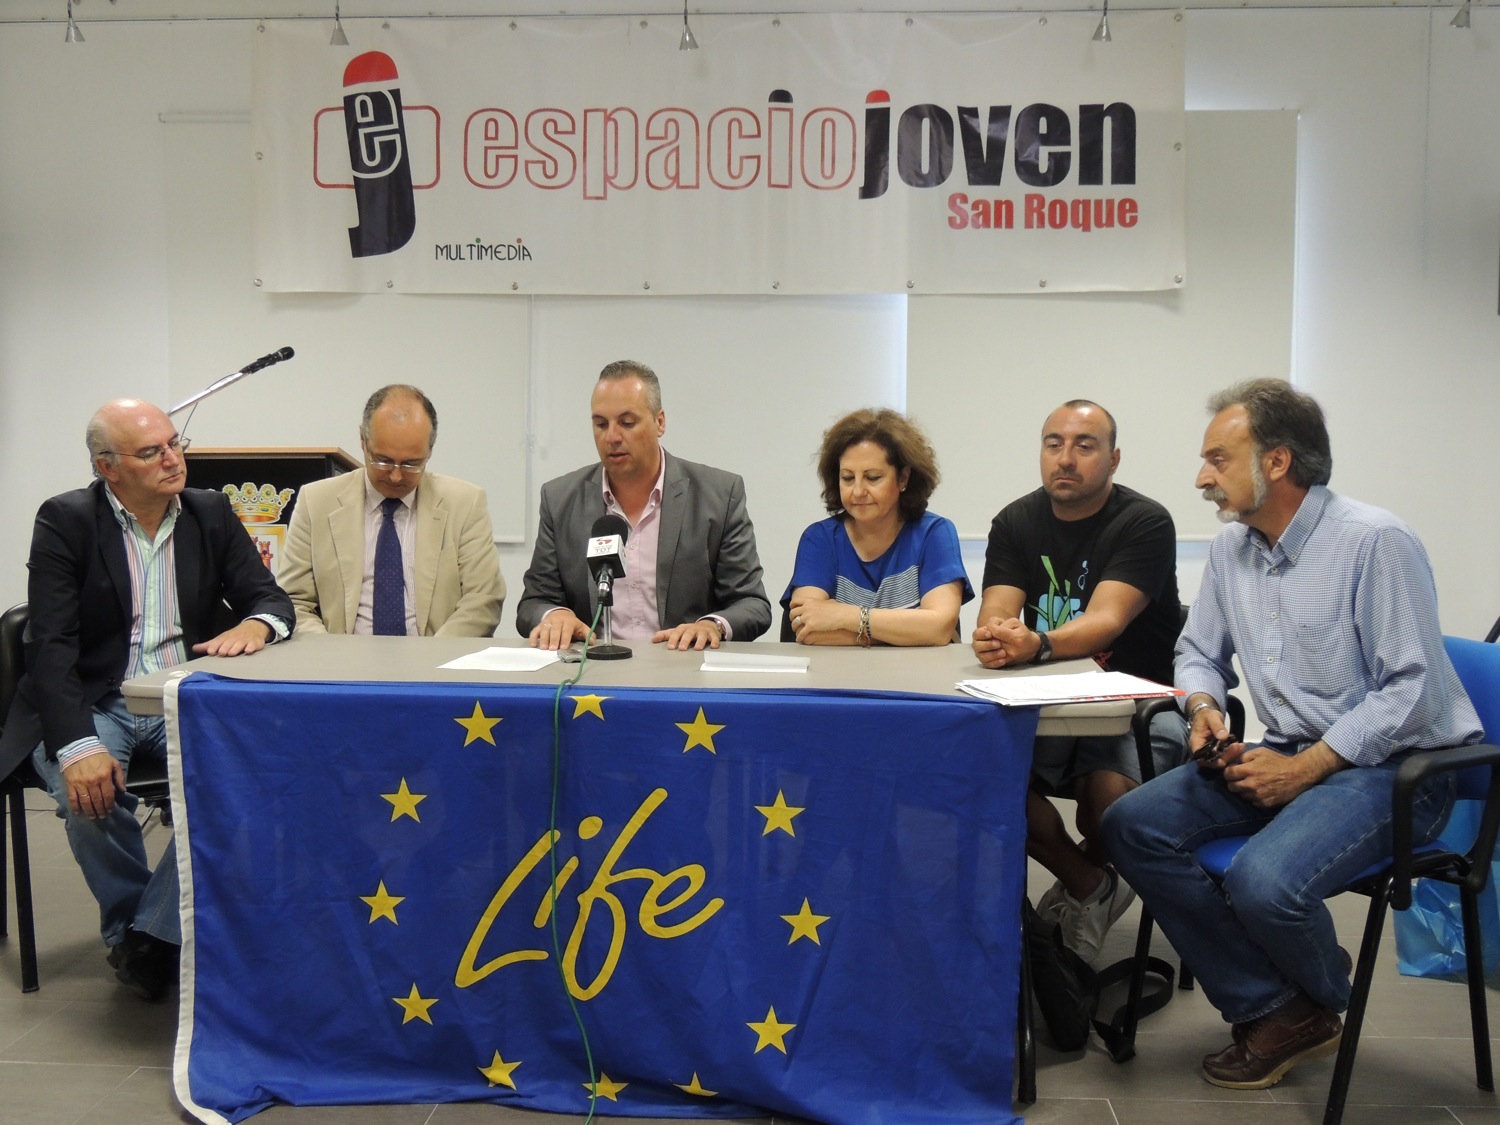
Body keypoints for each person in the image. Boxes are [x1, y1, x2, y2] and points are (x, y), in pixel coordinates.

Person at [1101, 378, 1482, 1091]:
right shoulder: (1231, 549)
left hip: (1398, 771)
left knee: (1262, 880)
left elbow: (1413, 689)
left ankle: (1311, 993)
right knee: (1131, 824)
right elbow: (1196, 651)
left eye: (1217, 458)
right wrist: (1205, 709)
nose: (1201, 477)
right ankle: (1280, 1005)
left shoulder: (1376, 542)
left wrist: (1309, 766)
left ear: (1276, 461)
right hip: (1289, 752)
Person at [0, 399, 294, 1001]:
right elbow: (50, 646)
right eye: (151, 452)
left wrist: (256, 624)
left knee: (247, 786)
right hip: (95, 698)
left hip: (180, 695)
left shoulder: (210, 511)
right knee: (89, 797)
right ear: (108, 467)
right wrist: (77, 746)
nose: (172, 459)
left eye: (175, 443)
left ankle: (148, 941)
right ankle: (144, 931)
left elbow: (271, 599)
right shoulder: (66, 519)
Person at [971, 399, 1185, 961]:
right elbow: (997, 610)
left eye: (1084, 446)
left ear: (1114, 459)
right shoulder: (1015, 521)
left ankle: (1083, 891)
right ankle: (1091, 887)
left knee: (1105, 808)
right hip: (1046, 701)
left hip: (1136, 703)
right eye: (1054, 444)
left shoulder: (1144, 522)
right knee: (985, 782)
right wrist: (996, 635)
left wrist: (1036, 643)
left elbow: (1105, 621)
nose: (1065, 458)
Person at [517, 360, 772, 650]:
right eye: (601, 424)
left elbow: (752, 604)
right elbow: (534, 602)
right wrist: (554, 615)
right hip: (591, 668)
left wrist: (711, 626)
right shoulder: (560, 499)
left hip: (682, 665)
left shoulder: (719, 495)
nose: (612, 437)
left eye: (627, 423)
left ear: (659, 422)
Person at [279, 385, 505, 637]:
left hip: (435, 654)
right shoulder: (317, 502)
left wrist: (433, 655)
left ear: (430, 451)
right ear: (363, 441)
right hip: (341, 654)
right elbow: (293, 601)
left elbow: (483, 600)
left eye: (411, 464)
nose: (396, 476)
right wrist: (333, 653)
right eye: (383, 461)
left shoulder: (465, 503)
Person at [782, 408, 971, 646]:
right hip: (837, 670)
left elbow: (939, 629)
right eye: (847, 478)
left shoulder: (934, 533)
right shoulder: (819, 538)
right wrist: (907, 633)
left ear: (903, 478)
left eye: (872, 477)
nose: (858, 491)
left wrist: (846, 616)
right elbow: (806, 629)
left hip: (919, 671)